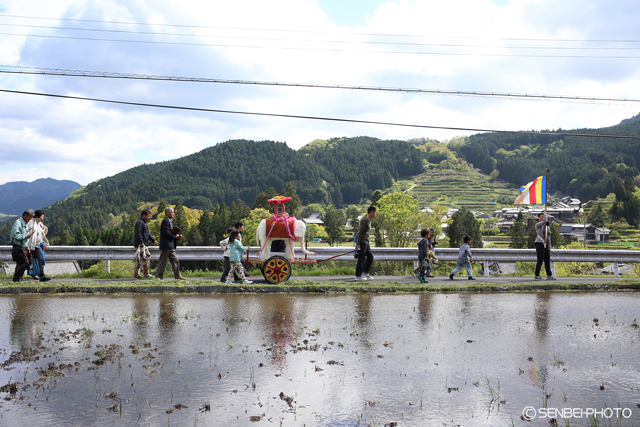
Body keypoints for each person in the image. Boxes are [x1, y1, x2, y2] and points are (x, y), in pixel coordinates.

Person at [155, 207, 185, 280]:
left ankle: (178, 276)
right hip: (166, 245)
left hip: (170, 245)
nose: (173, 214)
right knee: (163, 262)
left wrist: (176, 236)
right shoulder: (165, 221)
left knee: (175, 260)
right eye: (172, 212)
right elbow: (166, 233)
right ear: (167, 213)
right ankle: (158, 277)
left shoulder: (169, 221)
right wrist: (175, 236)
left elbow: (169, 232)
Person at [10, 209, 35, 282]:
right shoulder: (18, 223)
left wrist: (27, 247)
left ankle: (19, 279)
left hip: (23, 247)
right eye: (29, 217)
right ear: (25, 215)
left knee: (20, 263)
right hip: (18, 247)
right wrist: (26, 236)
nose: (30, 219)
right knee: (25, 263)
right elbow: (15, 235)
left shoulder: (25, 224)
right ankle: (16, 278)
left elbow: (24, 238)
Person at [27, 209, 51, 282]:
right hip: (32, 246)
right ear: (37, 216)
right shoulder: (31, 223)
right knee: (32, 261)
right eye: (42, 216)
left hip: (37, 245)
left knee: (39, 260)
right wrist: (28, 246)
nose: (42, 218)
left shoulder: (39, 223)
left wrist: (44, 229)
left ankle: (41, 275)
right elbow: (29, 233)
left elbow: (41, 235)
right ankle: (31, 274)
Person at [134, 209, 158, 279]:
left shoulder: (144, 223)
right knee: (143, 258)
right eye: (148, 216)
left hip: (143, 244)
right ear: (143, 215)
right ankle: (143, 274)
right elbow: (139, 233)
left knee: (142, 258)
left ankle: (140, 274)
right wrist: (141, 242)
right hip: (141, 244)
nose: (149, 217)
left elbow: (147, 234)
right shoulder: (140, 222)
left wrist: (153, 240)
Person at [355, 206, 376, 281]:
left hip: (366, 242)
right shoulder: (364, 221)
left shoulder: (368, 220)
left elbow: (366, 233)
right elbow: (360, 233)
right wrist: (358, 244)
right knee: (361, 259)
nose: (375, 214)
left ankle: (366, 272)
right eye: (375, 212)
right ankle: (358, 276)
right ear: (371, 212)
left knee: (370, 257)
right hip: (362, 242)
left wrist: (368, 242)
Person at [534, 207, 554, 280]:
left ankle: (549, 275)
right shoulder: (538, 225)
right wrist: (545, 213)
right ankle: (537, 275)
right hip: (539, 243)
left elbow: (548, 237)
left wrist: (550, 247)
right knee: (540, 260)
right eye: (541, 217)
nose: (542, 218)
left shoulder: (547, 227)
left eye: (543, 216)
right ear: (539, 218)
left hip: (546, 244)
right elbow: (545, 221)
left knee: (547, 260)